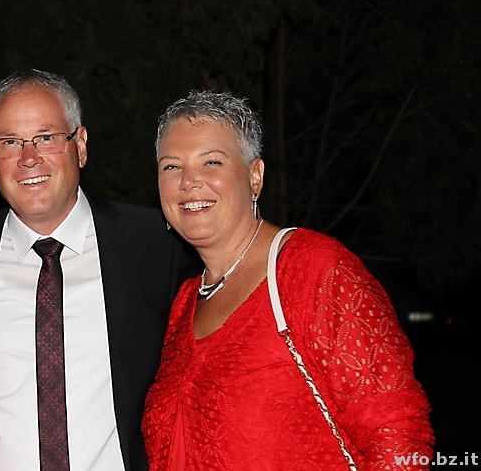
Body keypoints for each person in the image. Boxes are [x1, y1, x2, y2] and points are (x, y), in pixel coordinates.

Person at [141, 90, 435, 470]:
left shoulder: (313, 270)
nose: (189, 181)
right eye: (171, 167)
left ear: (255, 176)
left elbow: (399, 435)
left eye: (211, 161)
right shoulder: (183, 304)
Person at [0, 69, 199, 471]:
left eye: (47, 137)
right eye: (9, 142)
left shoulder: (157, 244)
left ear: (80, 145)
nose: (28, 158)